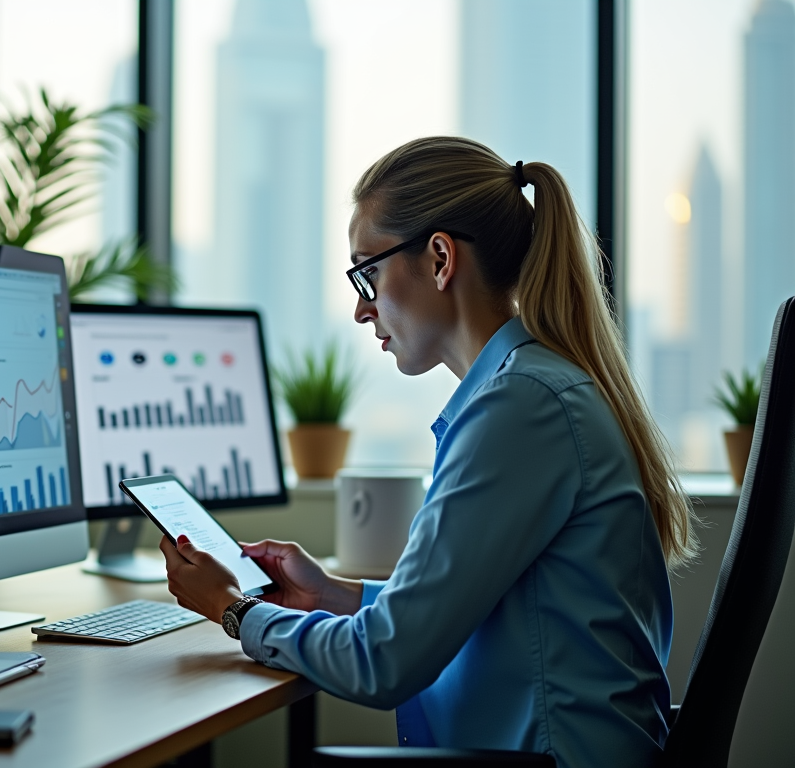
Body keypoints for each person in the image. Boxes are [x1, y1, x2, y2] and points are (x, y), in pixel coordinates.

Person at [159, 136, 697, 768]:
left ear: (440, 258)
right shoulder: (525, 393)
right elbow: (480, 610)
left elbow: (384, 664)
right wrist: (332, 594)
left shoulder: (520, 408)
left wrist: (234, 610)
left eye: (368, 273)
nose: (363, 309)